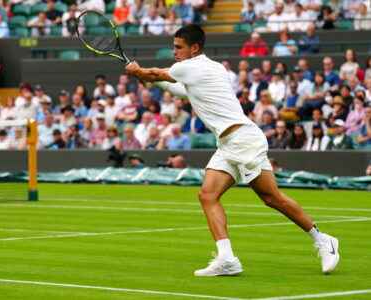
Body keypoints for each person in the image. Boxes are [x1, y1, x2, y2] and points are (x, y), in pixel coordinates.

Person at [125, 24, 339, 276]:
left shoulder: (190, 67)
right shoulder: (210, 68)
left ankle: (323, 239)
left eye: (178, 47)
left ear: (194, 48)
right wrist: (143, 75)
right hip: (228, 144)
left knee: (272, 198)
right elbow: (178, 89)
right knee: (207, 195)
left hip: (243, 141)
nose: (175, 52)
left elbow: (156, 75)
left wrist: (139, 71)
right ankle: (227, 258)